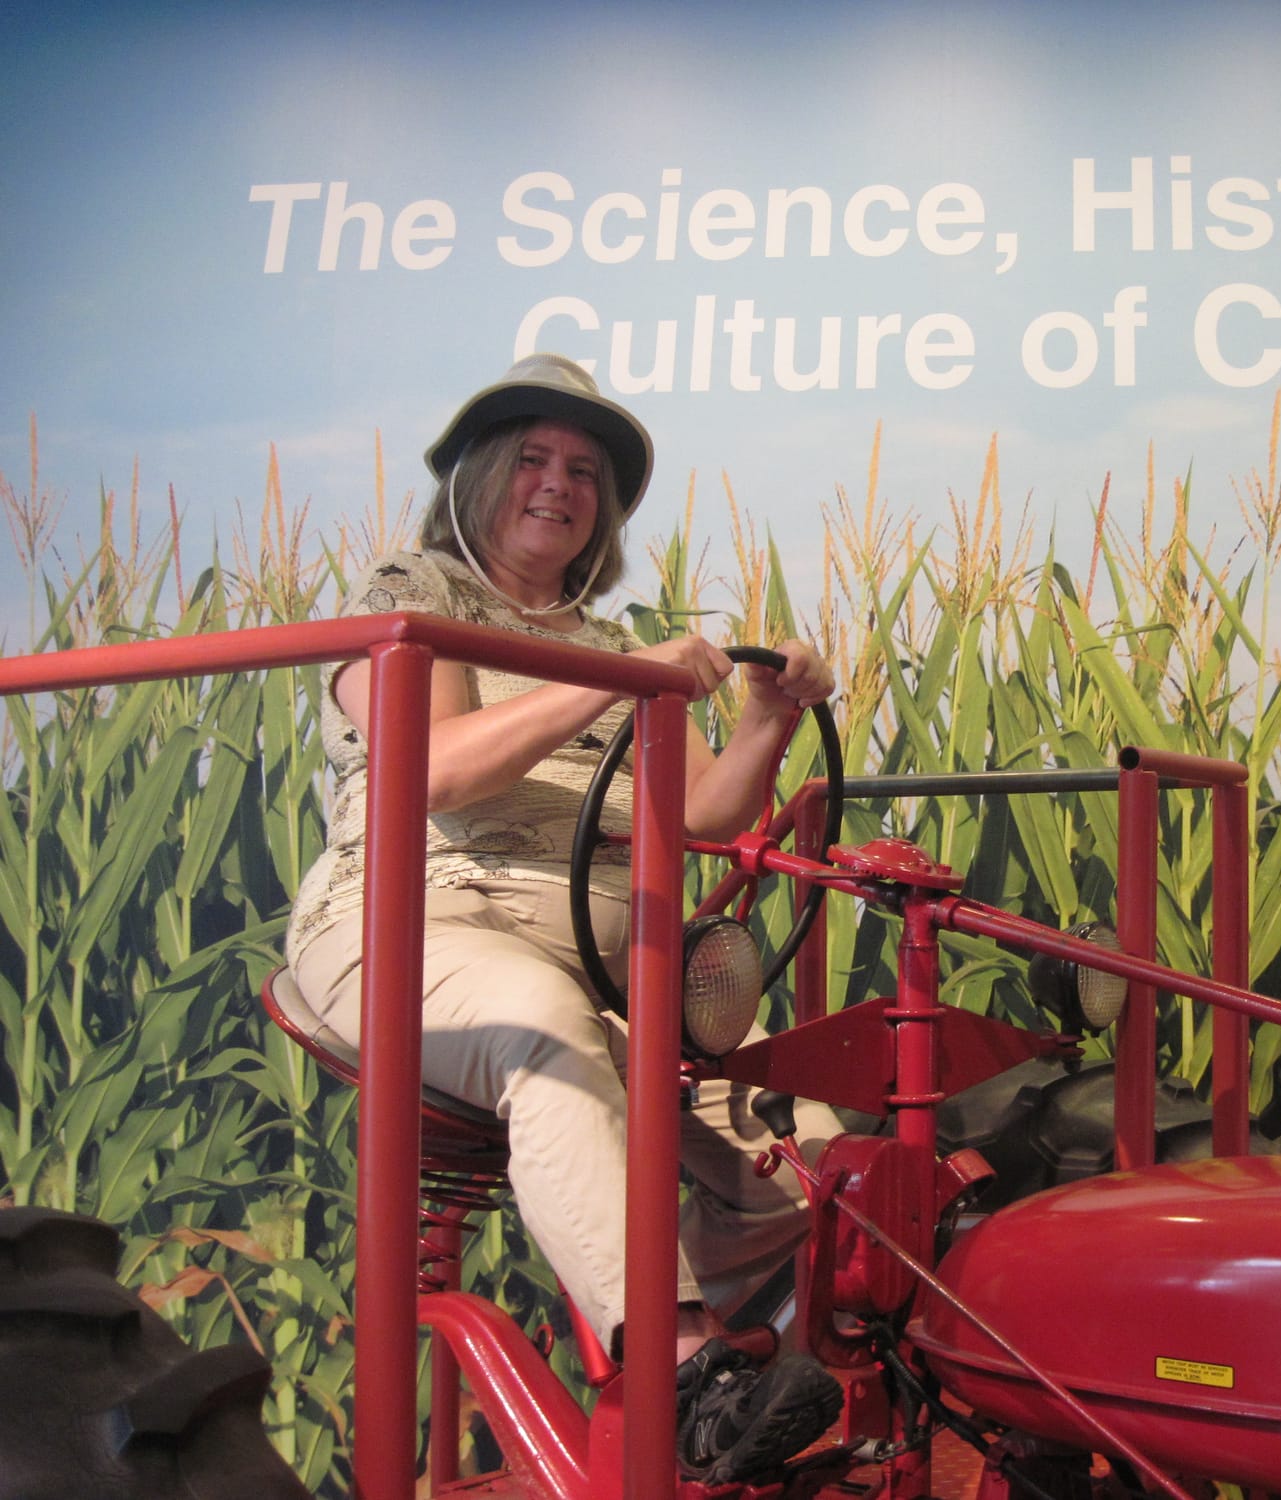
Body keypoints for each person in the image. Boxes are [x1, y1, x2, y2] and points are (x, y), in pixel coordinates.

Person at [283, 352, 843, 1483]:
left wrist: (766, 717)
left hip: (604, 968)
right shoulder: (411, 598)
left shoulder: (605, 643)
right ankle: (685, 1377)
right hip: (421, 930)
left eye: (585, 471)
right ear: (478, 475)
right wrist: (619, 683)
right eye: (533, 458)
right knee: (542, 1026)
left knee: (818, 1157)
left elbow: (701, 815)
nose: (559, 484)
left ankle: (770, 1366)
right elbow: (433, 770)